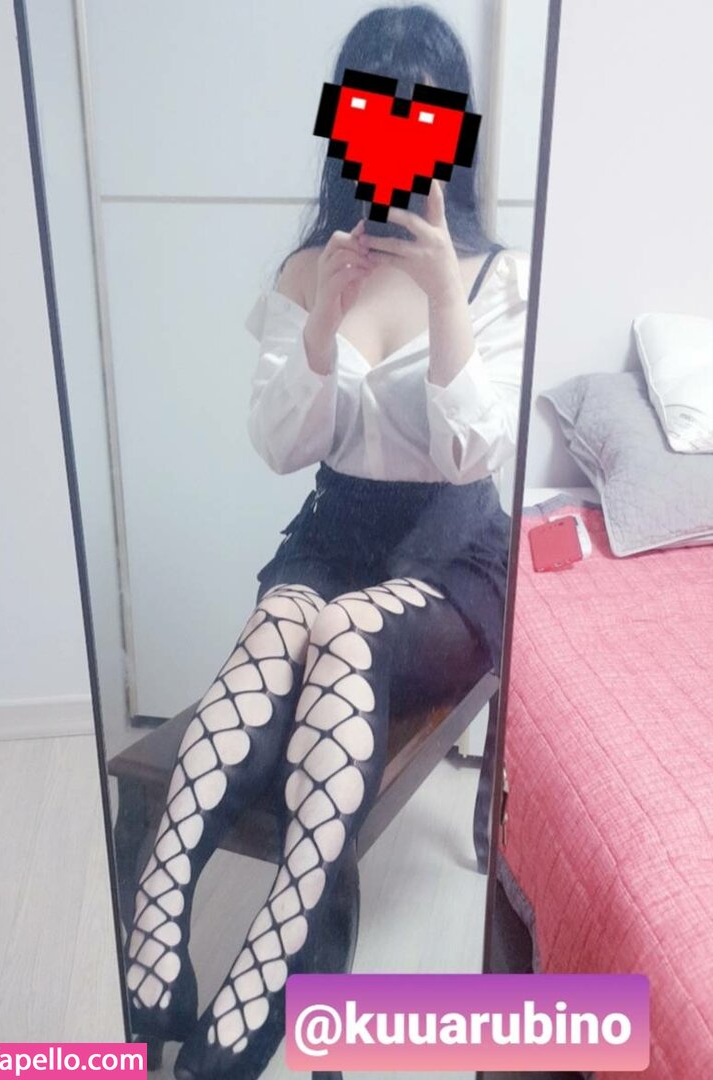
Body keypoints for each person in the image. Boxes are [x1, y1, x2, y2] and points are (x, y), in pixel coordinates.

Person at [123, 6, 529, 1078]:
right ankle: (156, 927)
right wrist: (319, 322)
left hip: (450, 552)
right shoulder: (310, 266)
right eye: (372, 112)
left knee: (344, 633)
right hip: (335, 531)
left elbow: (473, 454)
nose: (395, 135)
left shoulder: (495, 277)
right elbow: (280, 446)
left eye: (419, 115)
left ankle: (267, 968)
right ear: (345, 125)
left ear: (451, 132)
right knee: (277, 626)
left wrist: (441, 294)